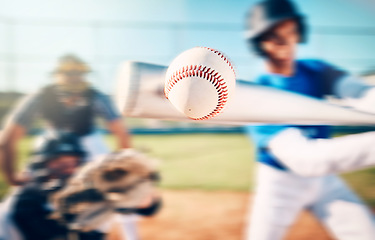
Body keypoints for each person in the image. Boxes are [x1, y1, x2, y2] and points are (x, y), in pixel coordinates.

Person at [243, 0, 375, 239]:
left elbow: (362, 93)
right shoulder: (257, 92)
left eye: (291, 32)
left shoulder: (316, 69)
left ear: (299, 32)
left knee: (367, 232)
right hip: (280, 182)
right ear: (260, 43)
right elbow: (305, 159)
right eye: (275, 36)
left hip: (324, 180)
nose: (286, 43)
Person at [0, 54, 139, 239]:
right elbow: (8, 137)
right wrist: (12, 177)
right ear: (59, 75)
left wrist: (123, 166)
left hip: (84, 145)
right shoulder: (46, 96)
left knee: (118, 189)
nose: (74, 79)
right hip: (53, 146)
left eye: (77, 74)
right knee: (117, 189)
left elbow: (121, 132)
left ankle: (130, 234)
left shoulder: (92, 95)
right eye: (70, 74)